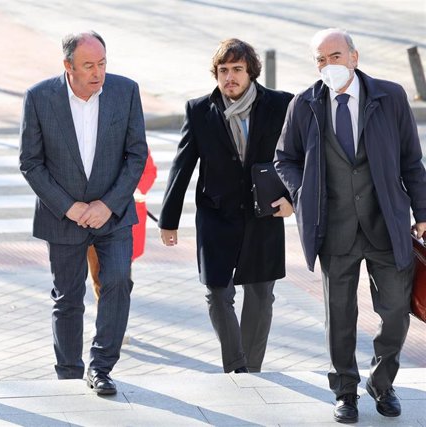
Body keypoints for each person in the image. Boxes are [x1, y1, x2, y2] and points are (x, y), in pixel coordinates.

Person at [275, 28, 426, 423]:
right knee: (339, 316)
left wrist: (423, 213)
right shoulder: (304, 104)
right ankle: (345, 391)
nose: (328, 65)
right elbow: (283, 158)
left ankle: (381, 380)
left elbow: (412, 160)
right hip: (334, 228)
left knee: (396, 311)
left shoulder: (389, 97)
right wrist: (304, 188)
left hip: (386, 223)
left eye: (335, 56)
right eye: (321, 59)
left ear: (354, 58)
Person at [19, 31, 147, 395]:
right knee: (68, 297)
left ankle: (101, 367)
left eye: (102, 63)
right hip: (63, 216)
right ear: (68, 66)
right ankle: (69, 374)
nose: (98, 73)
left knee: (119, 279)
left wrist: (107, 204)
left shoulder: (126, 91)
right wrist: (70, 207)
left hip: (114, 213)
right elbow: (30, 162)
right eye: (89, 65)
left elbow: (136, 154)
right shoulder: (40, 97)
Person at [159, 39, 293, 374]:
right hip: (215, 214)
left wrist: (294, 200)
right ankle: (237, 367)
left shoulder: (281, 106)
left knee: (261, 296)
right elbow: (182, 165)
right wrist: (168, 220)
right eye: (223, 70)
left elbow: (299, 159)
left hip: (265, 215)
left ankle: (252, 370)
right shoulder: (200, 110)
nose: (229, 77)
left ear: (251, 72)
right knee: (217, 294)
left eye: (236, 70)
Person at [88, 151, 157, 302]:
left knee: (120, 279)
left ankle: (114, 319)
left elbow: (149, 170)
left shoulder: (130, 131)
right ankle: (106, 318)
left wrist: (135, 190)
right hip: (91, 217)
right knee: (98, 277)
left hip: (126, 217)